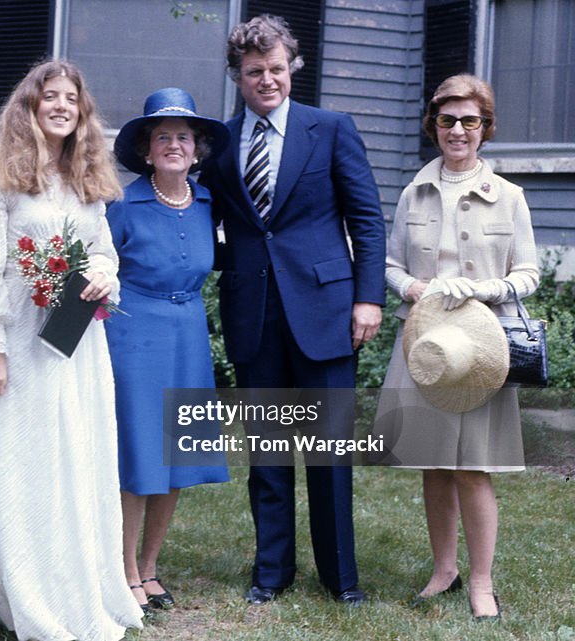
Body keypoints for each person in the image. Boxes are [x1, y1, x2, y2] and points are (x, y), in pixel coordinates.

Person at [198, 14, 386, 605]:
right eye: (255, 72)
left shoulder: (330, 128)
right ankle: (271, 574)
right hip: (254, 313)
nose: (267, 80)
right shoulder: (221, 143)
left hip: (328, 310)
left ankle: (341, 579)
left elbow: (367, 220)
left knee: (330, 454)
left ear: (291, 68)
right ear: (238, 76)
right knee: (269, 456)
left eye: (276, 69)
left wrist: (368, 298)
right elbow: (211, 224)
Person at [0, 59, 144, 640]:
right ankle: (30, 591)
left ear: (82, 113)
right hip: (19, 337)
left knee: (78, 457)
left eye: (72, 99)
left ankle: (81, 584)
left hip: (77, 337)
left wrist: (102, 279)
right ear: (31, 108)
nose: (62, 106)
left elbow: (106, 253)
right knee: (28, 458)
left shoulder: (86, 181)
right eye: (50, 98)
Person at [378, 73, 538, 621]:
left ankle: (481, 582)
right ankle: (444, 570)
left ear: (485, 128)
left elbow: (529, 273)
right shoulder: (412, 192)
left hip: (481, 349)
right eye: (447, 120)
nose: (458, 131)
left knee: (473, 467)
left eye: (470, 121)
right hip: (427, 345)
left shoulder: (510, 197)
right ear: (434, 126)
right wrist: (413, 288)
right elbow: (391, 265)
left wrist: (488, 289)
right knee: (432, 463)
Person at [106, 87, 231, 612]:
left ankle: (152, 566)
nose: (174, 145)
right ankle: (125, 569)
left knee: (178, 454)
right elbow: (92, 272)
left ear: (197, 148)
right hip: (134, 333)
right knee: (140, 456)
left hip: (187, 333)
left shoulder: (207, 202)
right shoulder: (122, 202)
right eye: (163, 137)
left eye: (183, 137)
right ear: (146, 148)